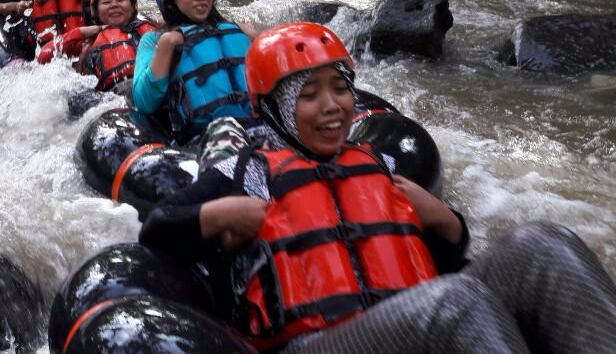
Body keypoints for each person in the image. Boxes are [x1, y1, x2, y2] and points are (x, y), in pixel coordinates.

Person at [140, 22, 616, 353]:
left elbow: (438, 263)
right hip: (318, 343)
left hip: (417, 322)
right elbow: (157, 229)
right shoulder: (247, 171)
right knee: (453, 304)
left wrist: (447, 222)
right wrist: (215, 216)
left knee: (544, 243)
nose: (332, 107)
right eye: (308, 95)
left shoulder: (377, 162)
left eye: (341, 88)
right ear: (272, 109)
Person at [132, 0, 255, 144]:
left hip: (257, 127)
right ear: (171, 0)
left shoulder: (238, 31)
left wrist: (259, 41)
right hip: (206, 138)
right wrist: (166, 47)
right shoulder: (154, 40)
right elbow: (144, 102)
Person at [39, 0, 157, 93]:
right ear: (96, 11)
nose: (114, 5)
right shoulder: (88, 41)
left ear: (132, 6)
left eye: (120, 0)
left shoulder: (150, 28)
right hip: (109, 101)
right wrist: (81, 32)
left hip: (151, 89)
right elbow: (42, 57)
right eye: (106, 2)